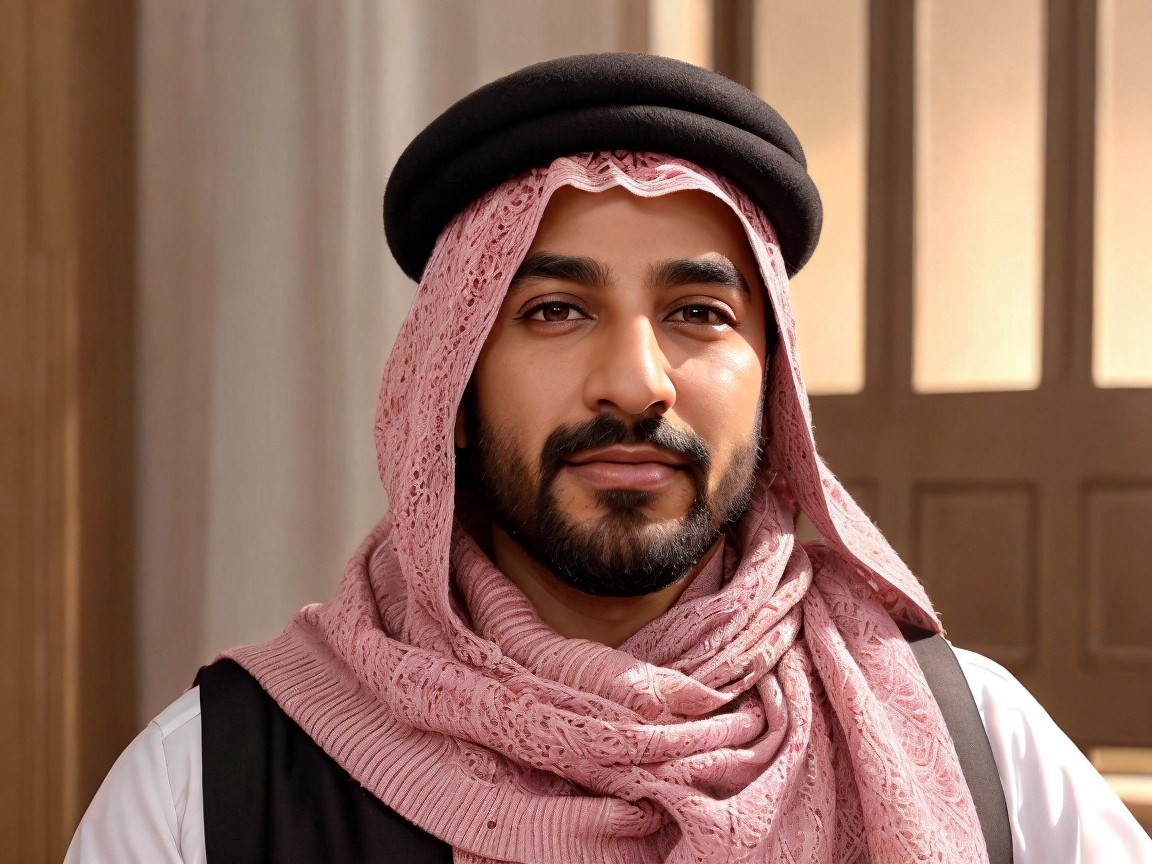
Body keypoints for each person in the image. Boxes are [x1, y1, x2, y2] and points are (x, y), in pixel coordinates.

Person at [66, 53, 1151, 864]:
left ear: (773, 377)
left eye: (697, 311)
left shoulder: (978, 753)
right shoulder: (212, 789)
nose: (636, 382)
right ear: (446, 381)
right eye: (553, 309)